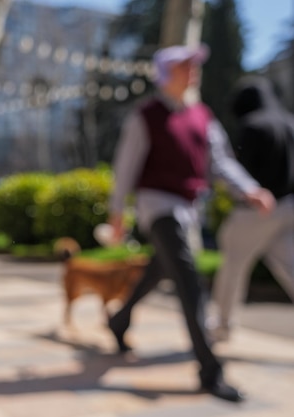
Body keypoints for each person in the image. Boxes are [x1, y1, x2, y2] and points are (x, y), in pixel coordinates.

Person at [107, 44, 275, 403]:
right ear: (167, 73)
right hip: (158, 207)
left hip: (188, 209)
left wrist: (250, 189)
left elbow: (221, 162)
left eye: (195, 66)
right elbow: (126, 167)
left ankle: (119, 319)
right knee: (188, 280)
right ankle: (210, 371)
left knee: (160, 270)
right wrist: (117, 213)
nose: (194, 71)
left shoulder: (202, 115)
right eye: (186, 66)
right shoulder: (146, 115)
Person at [209, 76, 294, 341]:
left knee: (232, 267)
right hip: (289, 208)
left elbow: (238, 173)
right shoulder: (290, 122)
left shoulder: (253, 126)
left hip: (255, 212)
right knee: (290, 267)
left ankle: (222, 325)